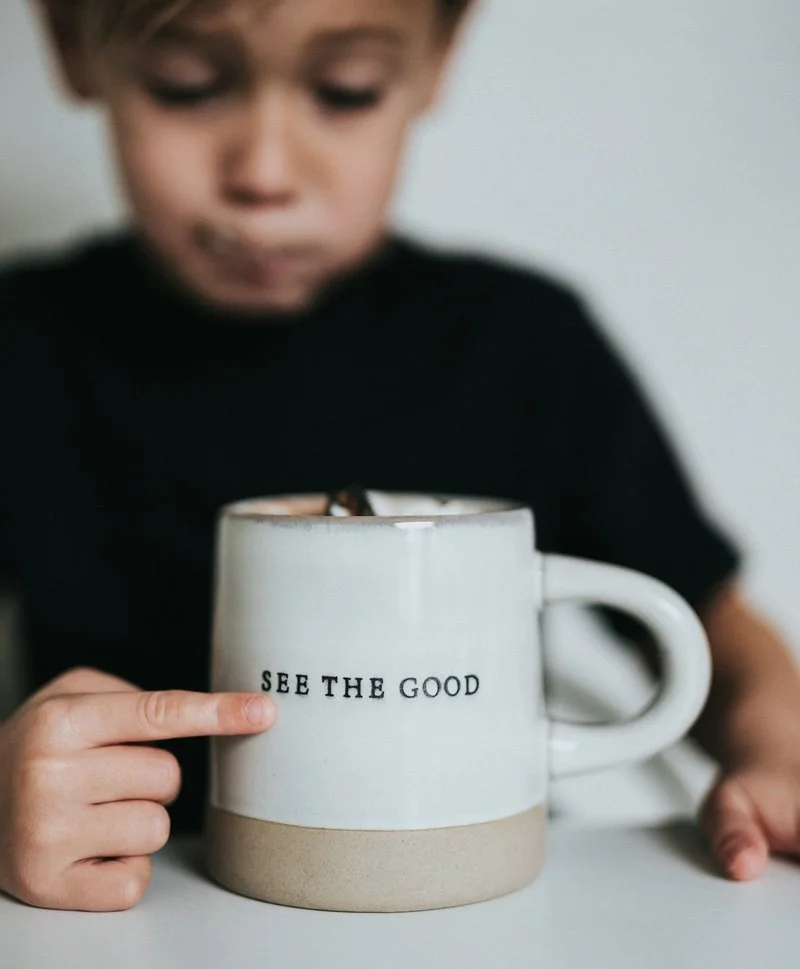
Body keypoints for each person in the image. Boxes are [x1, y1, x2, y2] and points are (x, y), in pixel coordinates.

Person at [0, 0, 798, 913]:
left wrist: (779, 750)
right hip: (141, 910)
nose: (264, 173)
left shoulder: (520, 345)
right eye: (187, 86)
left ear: (438, 60)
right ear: (70, 44)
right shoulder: (25, 349)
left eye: (347, 92)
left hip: (487, 906)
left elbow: (706, 620)